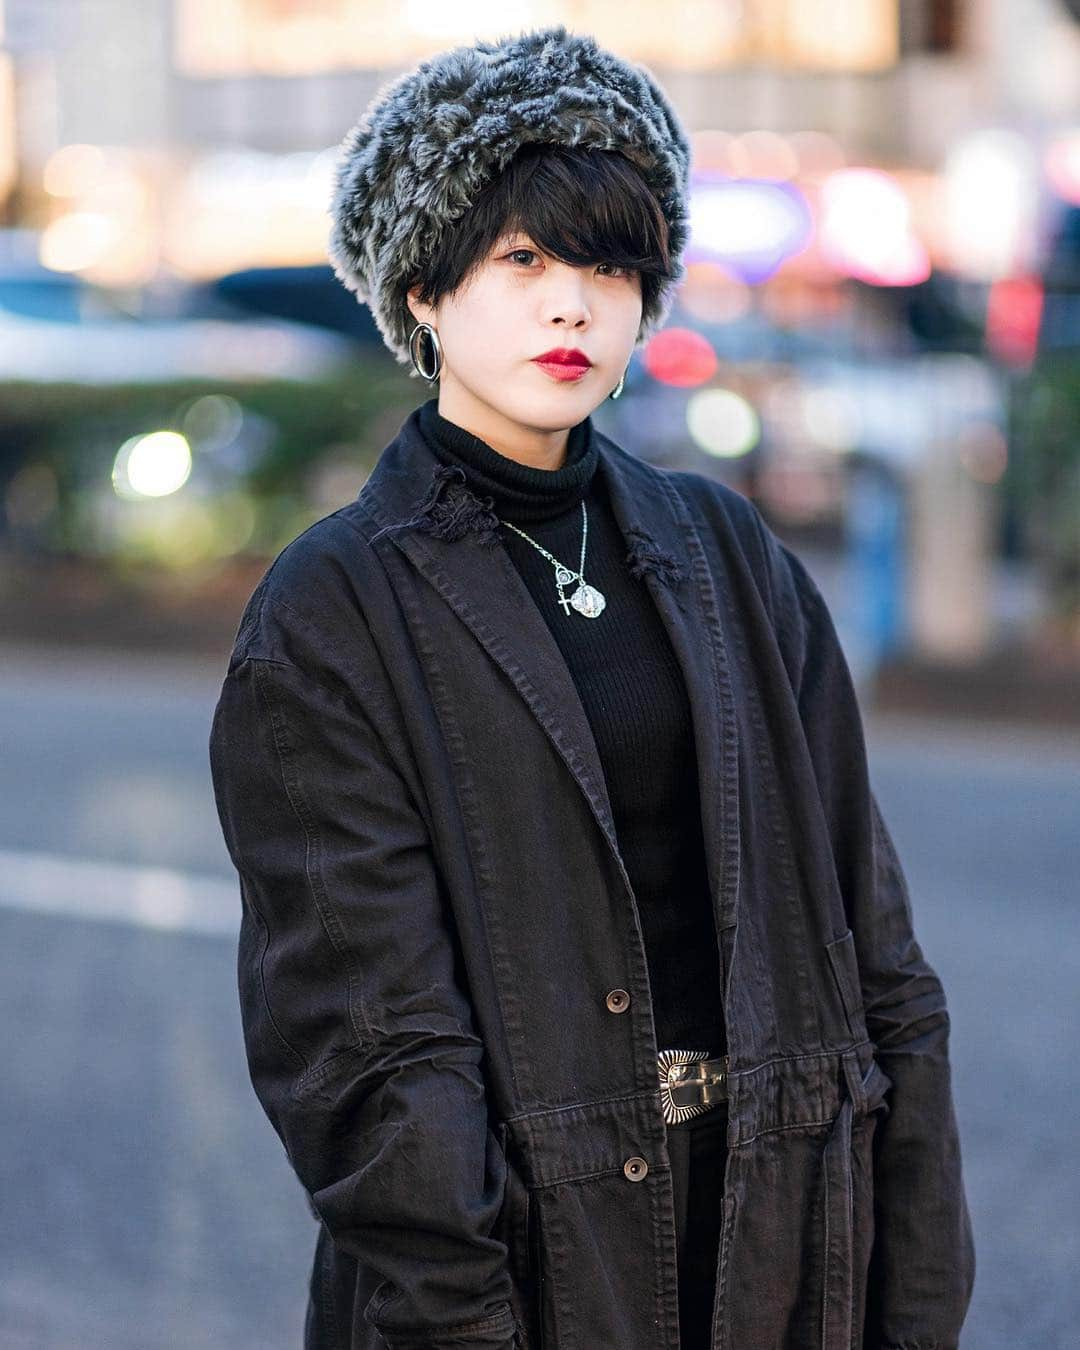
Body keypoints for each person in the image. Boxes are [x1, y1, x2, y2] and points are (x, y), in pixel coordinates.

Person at [208, 24, 975, 1350]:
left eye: (612, 265)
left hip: (781, 1230)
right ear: (428, 288)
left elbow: (879, 954)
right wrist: (468, 1309)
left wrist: (910, 1290)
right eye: (525, 259)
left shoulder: (726, 552)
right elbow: (362, 1047)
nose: (574, 304)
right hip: (531, 1266)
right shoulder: (333, 607)